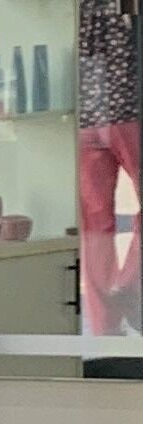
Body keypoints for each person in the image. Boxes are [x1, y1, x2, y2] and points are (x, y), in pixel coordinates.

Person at [78, 0, 142, 341]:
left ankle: (105, 327)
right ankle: (129, 285)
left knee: (95, 225)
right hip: (129, 107)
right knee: (95, 225)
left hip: (83, 112)